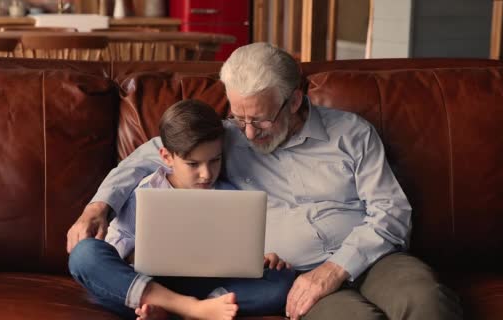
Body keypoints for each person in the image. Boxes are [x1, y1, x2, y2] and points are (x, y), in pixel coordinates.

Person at [67, 43, 463, 320]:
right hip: (294, 278)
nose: (250, 133)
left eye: (261, 118)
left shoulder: (352, 134)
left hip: (376, 259)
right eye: (240, 118)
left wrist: (335, 269)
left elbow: (392, 212)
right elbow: (155, 150)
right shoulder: (229, 138)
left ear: (293, 100)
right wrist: (99, 205)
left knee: (423, 299)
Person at [68, 99, 296, 320]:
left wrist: (264, 258)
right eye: (193, 164)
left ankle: (185, 309)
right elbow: (117, 246)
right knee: (84, 255)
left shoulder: (233, 196)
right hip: (147, 284)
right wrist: (136, 254)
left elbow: (244, 251)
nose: (207, 174)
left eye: (215, 160)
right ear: (167, 157)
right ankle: (190, 310)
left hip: (205, 284)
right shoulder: (144, 191)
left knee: (283, 279)